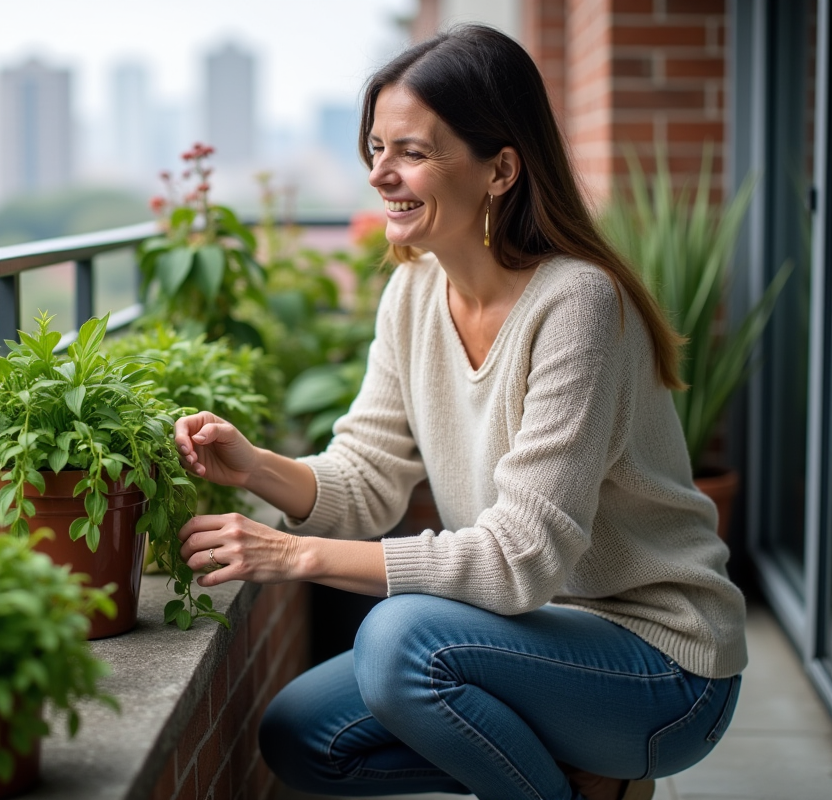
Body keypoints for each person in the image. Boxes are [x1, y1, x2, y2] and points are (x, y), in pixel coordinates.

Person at [172, 24, 746, 800]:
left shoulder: (577, 304)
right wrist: (256, 467)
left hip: (660, 664)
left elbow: (519, 560)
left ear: (500, 169)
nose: (380, 173)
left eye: (410, 151)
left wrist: (294, 555)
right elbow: (367, 479)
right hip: (522, 639)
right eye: (375, 148)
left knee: (400, 640)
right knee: (303, 734)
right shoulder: (412, 292)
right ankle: (587, 785)